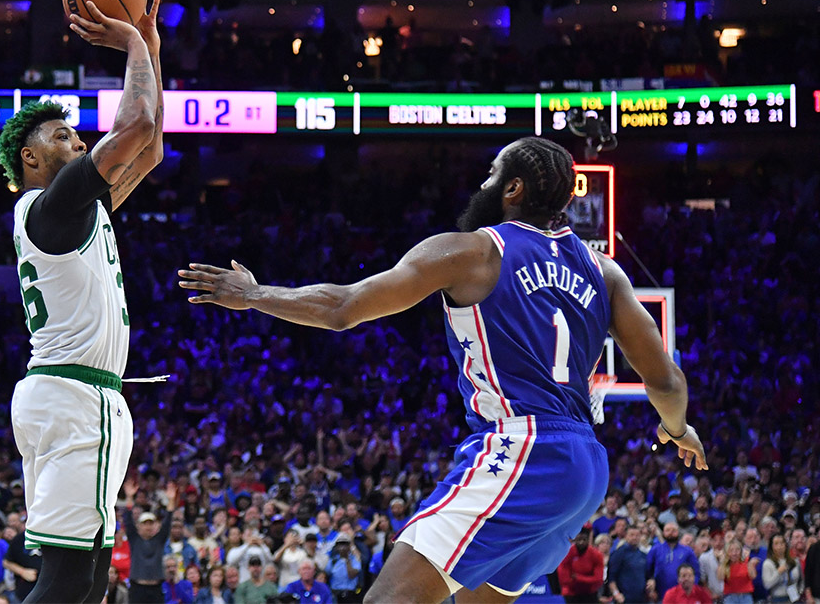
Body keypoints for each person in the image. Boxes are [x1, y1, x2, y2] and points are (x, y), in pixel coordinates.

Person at [179, 136, 707, 604]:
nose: (483, 183)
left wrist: (254, 295)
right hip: (587, 468)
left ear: (514, 188)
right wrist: (677, 430)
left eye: (492, 174)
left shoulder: (475, 250)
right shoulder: (605, 271)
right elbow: (667, 381)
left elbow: (344, 307)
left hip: (522, 448)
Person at [0, 0, 164, 604]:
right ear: (33, 158)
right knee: (70, 581)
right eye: (67, 138)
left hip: (62, 396)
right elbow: (137, 124)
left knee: (88, 578)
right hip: (75, 397)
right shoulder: (55, 202)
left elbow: (151, 148)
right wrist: (132, 44)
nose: (82, 143)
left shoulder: (70, 211)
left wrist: (151, 52)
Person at [123, 482, 179, 604]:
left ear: (155, 525)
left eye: (150, 523)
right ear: (139, 526)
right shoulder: (134, 539)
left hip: (155, 587)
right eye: (145, 523)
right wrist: (129, 497)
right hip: (137, 587)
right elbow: (128, 520)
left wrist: (171, 500)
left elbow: (168, 521)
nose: (148, 526)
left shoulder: (159, 540)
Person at [646, 523, 700, 601]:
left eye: (674, 530)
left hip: (683, 596)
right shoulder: (655, 550)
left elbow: (696, 573)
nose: (670, 533)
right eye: (667, 530)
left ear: (678, 532)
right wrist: (651, 590)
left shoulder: (687, 551)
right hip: (660, 595)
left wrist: (691, 590)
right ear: (663, 532)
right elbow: (648, 571)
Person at [558, 529, 604, 604]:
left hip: (589, 593)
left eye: (584, 540)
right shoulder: (567, 553)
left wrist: (578, 578)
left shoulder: (596, 555)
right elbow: (564, 580)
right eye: (579, 539)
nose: (581, 542)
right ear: (575, 539)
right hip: (571, 593)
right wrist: (587, 580)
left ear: (588, 540)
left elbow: (598, 579)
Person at [606, 525, 646, 604]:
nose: (634, 537)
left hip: (640, 598)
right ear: (626, 536)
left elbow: (647, 575)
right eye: (631, 535)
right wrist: (616, 593)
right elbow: (611, 577)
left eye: (637, 535)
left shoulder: (643, 555)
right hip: (623, 598)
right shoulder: (618, 553)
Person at [761, 533, 802, 604]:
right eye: (776, 544)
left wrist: (800, 591)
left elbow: (801, 579)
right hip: (777, 599)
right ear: (772, 547)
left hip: (794, 599)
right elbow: (767, 585)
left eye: (782, 543)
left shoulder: (795, 561)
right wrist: (778, 572)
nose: (779, 547)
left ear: (785, 545)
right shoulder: (768, 563)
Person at [718, 539, 758, 604]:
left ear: (741, 551)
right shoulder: (724, 565)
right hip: (730, 597)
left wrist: (750, 565)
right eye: (731, 550)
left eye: (737, 550)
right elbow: (720, 577)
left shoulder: (747, 562)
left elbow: (753, 576)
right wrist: (722, 562)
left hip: (746, 596)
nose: (734, 553)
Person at [326, 534, 362, 602]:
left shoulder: (355, 560)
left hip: (350, 595)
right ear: (336, 547)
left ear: (349, 546)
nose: (342, 547)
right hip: (335, 595)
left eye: (345, 544)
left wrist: (347, 559)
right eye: (340, 544)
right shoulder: (333, 561)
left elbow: (352, 575)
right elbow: (325, 575)